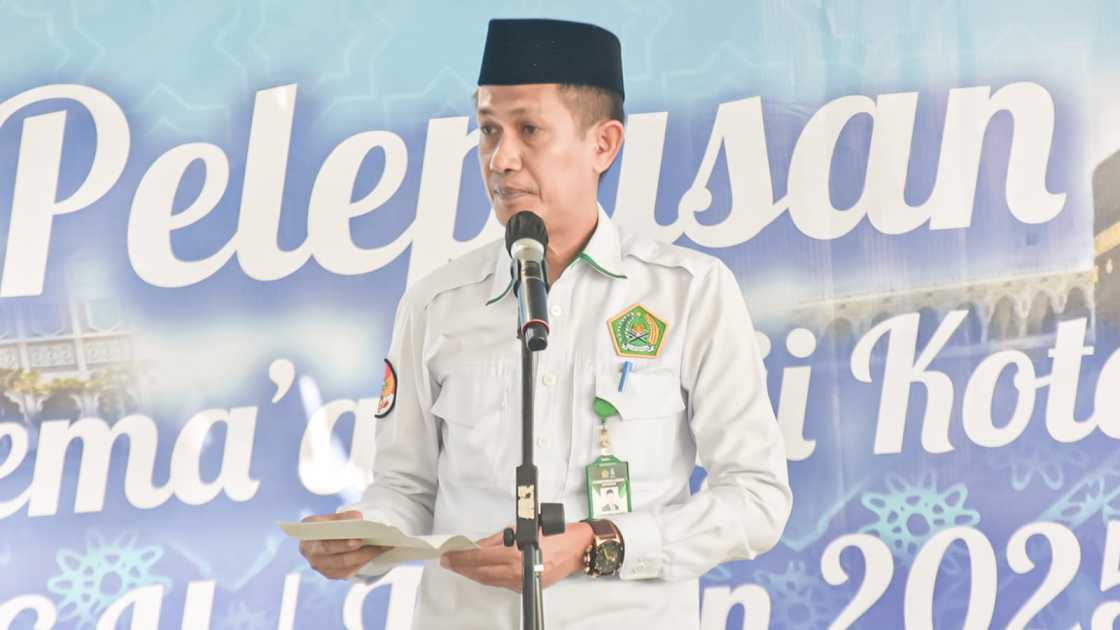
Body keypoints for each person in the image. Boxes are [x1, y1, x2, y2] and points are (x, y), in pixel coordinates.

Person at [298, 18, 792, 629]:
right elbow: (405, 488)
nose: (501, 159)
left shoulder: (688, 293)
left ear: (603, 144)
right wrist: (364, 533)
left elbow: (756, 498)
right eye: (488, 130)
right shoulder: (435, 304)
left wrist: (598, 543)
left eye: (528, 130)